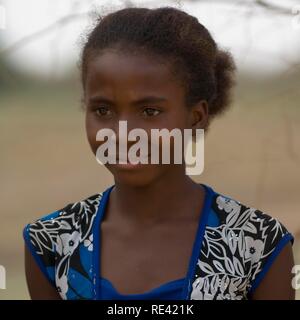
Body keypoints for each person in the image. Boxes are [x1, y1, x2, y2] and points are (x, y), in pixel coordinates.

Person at [23, 6, 295, 300]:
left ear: (196, 116)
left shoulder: (258, 246)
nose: (124, 135)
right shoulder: (52, 243)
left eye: (150, 111)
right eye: (103, 110)